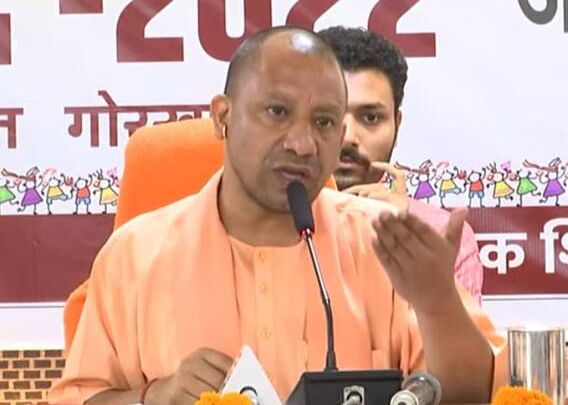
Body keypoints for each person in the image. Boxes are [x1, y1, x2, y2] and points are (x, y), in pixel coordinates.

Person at [49, 26, 506, 405]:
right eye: (277, 112)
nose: (302, 144)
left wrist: (437, 302)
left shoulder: (380, 243)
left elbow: (477, 396)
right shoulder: (134, 256)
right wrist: (154, 397)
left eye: (323, 122)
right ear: (223, 117)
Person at [318, 26, 484, 302]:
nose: (348, 137)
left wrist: (406, 250)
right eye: (327, 117)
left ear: (396, 123)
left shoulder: (439, 234)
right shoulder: (268, 224)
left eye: (370, 118)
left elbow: (461, 332)